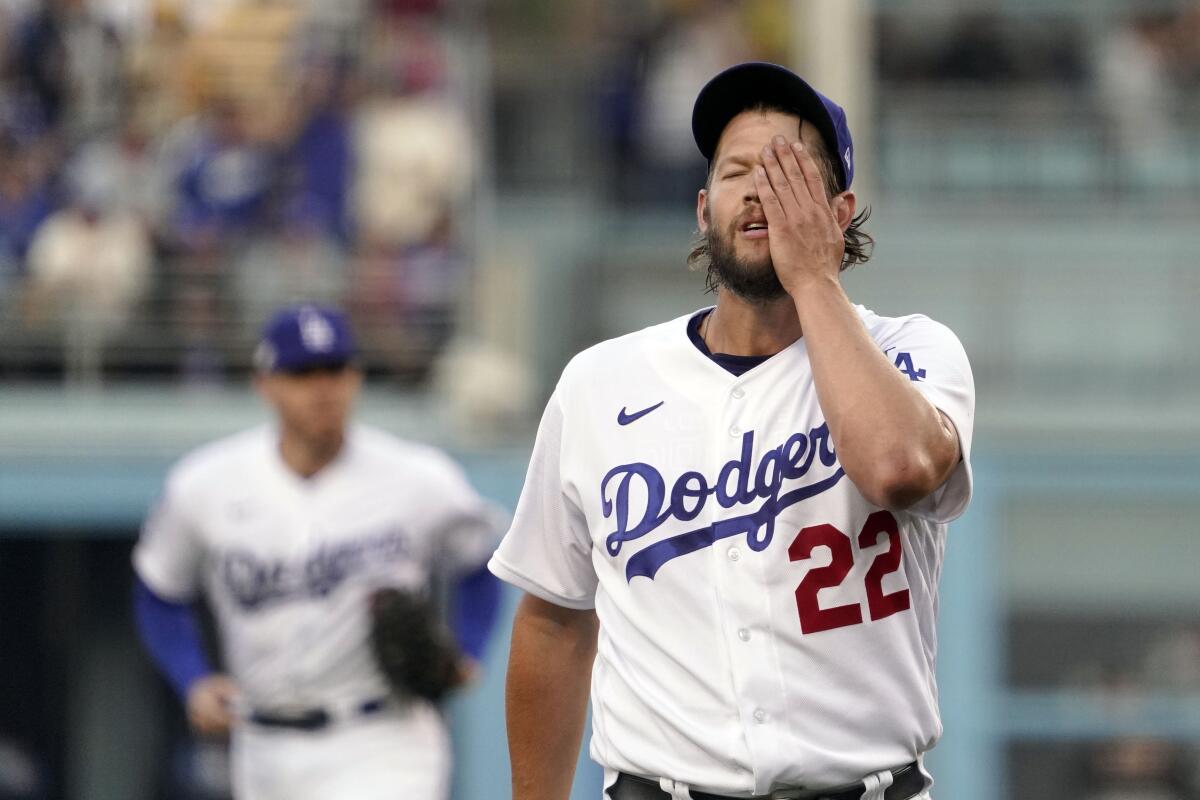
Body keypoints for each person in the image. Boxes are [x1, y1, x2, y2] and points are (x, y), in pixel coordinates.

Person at [489, 62, 975, 800]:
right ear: (701, 206)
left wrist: (814, 277)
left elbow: (897, 466)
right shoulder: (599, 383)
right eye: (736, 171)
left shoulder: (913, 350)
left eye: (787, 173)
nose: (756, 188)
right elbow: (554, 620)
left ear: (839, 212)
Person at [132, 303, 504, 799]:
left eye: (336, 370)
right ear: (265, 384)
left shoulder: (419, 478)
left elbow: (483, 562)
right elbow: (159, 588)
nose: (324, 388)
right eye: (303, 373)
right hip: (262, 745)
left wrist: (469, 648)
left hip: (384, 737)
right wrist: (192, 678)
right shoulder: (205, 484)